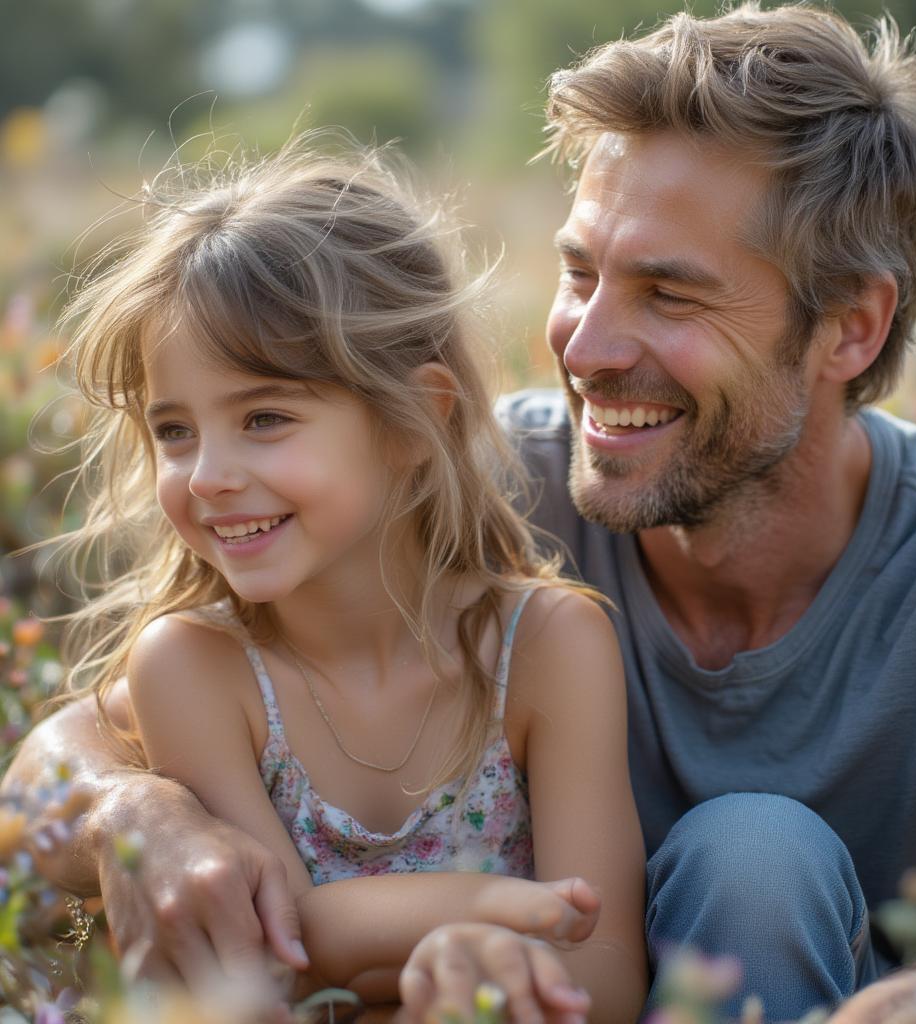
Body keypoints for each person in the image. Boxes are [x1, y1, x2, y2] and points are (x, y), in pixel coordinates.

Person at [8, 2, 916, 1021]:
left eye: (669, 296)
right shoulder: (459, 485)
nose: (584, 348)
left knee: (756, 856)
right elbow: (49, 769)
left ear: (849, 329)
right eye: (581, 273)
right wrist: (137, 812)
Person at [19, 134, 646, 1022]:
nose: (207, 476)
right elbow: (272, 954)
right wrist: (483, 918)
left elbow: (612, 975)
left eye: (265, 417)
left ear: (415, 421)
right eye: (174, 431)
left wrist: (486, 962)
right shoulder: (194, 669)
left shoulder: (550, 644)